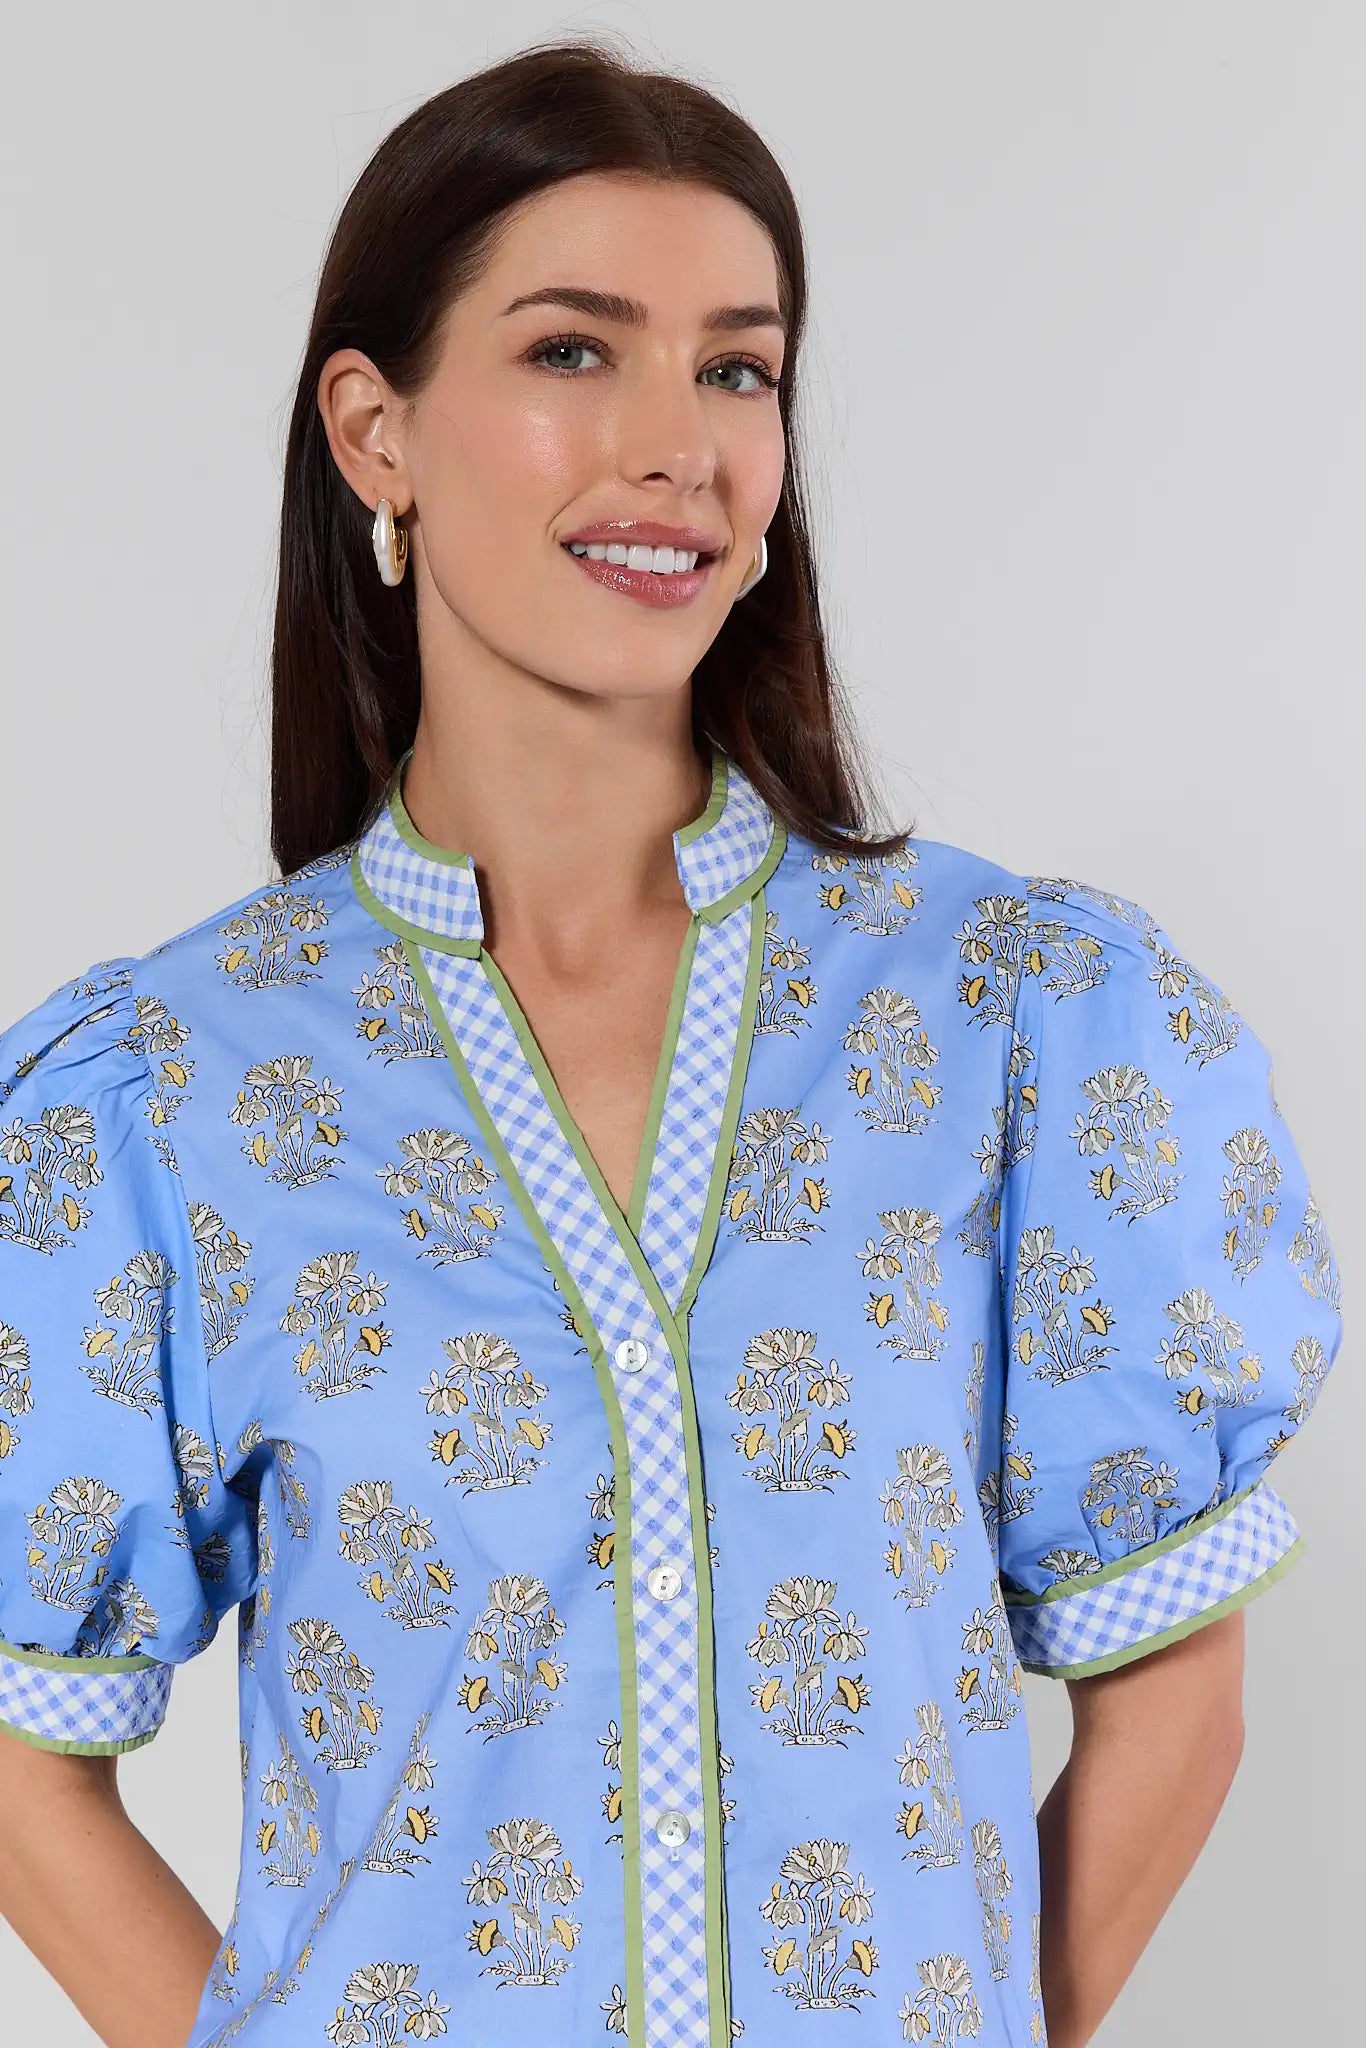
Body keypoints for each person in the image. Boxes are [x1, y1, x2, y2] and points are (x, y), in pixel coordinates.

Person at [0, 38, 1343, 2048]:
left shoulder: (1017, 1020)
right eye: (572, 354)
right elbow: (23, 1748)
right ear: (375, 430)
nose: (678, 446)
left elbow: (1173, 1692)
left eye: (735, 367)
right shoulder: (164, 1100)